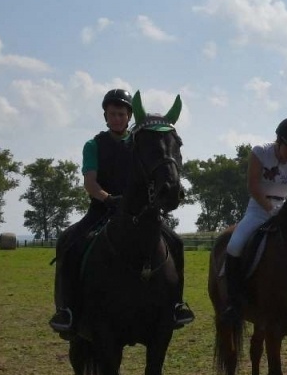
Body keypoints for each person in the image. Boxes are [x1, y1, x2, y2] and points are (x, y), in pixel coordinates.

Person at [49, 89, 194, 337]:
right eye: (112, 114)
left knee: (176, 244)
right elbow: (90, 183)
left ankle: (176, 305)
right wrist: (108, 198)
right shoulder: (94, 145)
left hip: (140, 210)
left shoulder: (141, 140)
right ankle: (67, 310)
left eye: (122, 114)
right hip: (103, 209)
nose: (117, 118)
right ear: (105, 116)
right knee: (68, 243)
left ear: (129, 117)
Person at [220, 117, 287, 328]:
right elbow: (253, 185)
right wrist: (270, 209)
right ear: (278, 141)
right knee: (234, 245)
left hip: (286, 209)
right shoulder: (260, 152)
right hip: (259, 208)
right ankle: (234, 301)